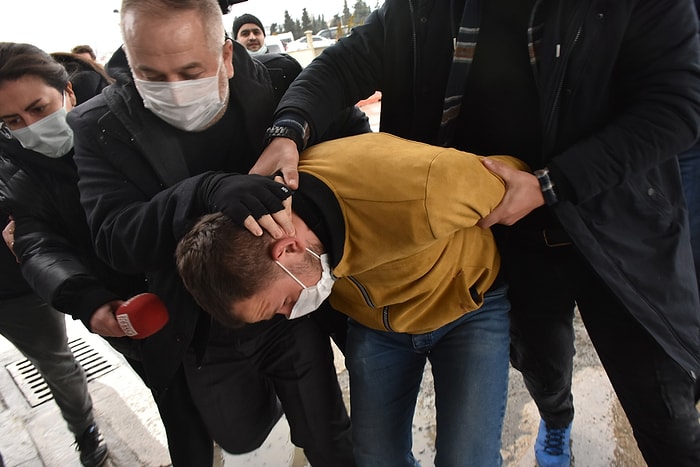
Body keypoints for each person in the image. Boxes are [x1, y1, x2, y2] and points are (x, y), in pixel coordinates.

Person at [252, 1, 700, 466]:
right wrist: (289, 127)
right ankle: (557, 421)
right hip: (508, 242)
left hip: (617, 233)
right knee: (542, 366)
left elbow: (676, 108)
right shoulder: (418, 9)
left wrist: (552, 183)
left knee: (666, 412)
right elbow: (342, 64)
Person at [68, 0, 367, 465]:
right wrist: (201, 192)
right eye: (149, 75)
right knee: (240, 433)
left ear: (226, 55)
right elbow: (113, 238)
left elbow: (353, 137)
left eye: (191, 71)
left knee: (328, 434)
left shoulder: (279, 80)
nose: (173, 89)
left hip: (291, 301)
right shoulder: (98, 125)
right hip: (202, 325)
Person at [177, 132, 528, 465]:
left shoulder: (423, 188)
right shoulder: (278, 221)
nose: (289, 314)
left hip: (468, 311)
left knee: (468, 460)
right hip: (376, 325)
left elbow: (518, 181)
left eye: (281, 303)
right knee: (375, 459)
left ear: (287, 249)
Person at [0, 42, 145, 467]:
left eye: (39, 109)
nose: (30, 126)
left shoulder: (116, 122)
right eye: (12, 121)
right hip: (110, 301)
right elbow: (36, 241)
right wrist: (86, 298)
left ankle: (86, 434)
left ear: (67, 91)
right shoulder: (18, 166)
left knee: (56, 362)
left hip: (167, 282)